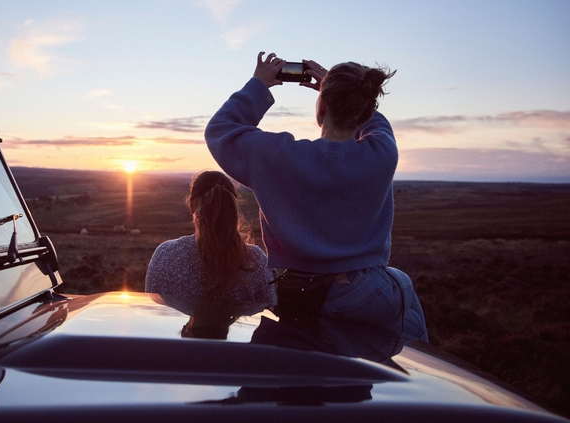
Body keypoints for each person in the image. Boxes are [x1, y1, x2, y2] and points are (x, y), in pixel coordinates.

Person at [204, 52, 427, 342]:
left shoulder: (277, 155)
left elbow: (221, 130)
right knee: (405, 303)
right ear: (363, 109)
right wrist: (332, 86)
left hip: (299, 293)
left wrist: (259, 85)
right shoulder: (382, 153)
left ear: (321, 109)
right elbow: (377, 124)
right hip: (366, 291)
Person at [145, 170, 276, 304]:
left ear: (192, 206)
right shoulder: (257, 262)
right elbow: (269, 312)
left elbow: (154, 307)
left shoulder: (165, 255)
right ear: (233, 207)